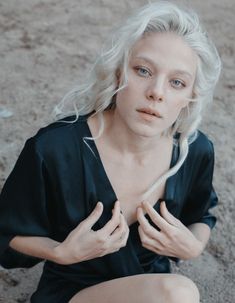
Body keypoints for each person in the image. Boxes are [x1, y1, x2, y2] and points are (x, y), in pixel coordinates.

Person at [0, 1, 221, 302]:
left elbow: (202, 214)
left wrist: (194, 245)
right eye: (143, 70)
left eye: (177, 82)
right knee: (179, 293)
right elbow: (5, 232)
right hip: (73, 293)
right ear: (119, 73)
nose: (157, 91)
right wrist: (59, 252)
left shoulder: (194, 150)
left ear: (189, 97)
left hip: (147, 287)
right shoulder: (52, 150)